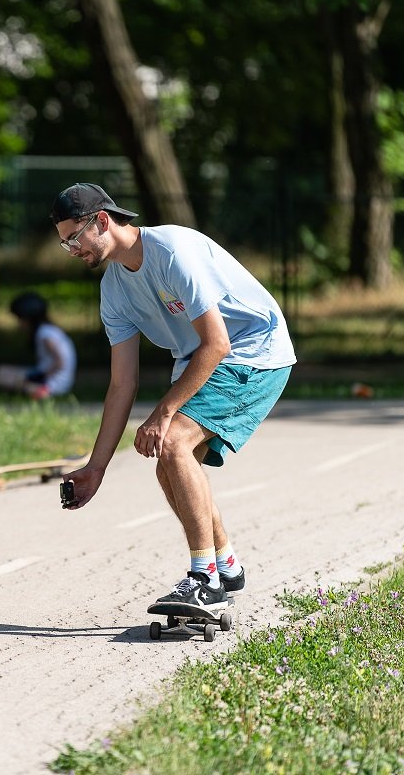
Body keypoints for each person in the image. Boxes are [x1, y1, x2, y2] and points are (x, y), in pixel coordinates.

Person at [52, 183, 295, 611]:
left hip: (254, 349)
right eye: (63, 243)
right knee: (171, 467)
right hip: (202, 356)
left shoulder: (172, 252)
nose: (71, 249)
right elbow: (121, 384)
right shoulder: (113, 291)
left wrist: (164, 412)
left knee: (174, 442)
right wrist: (96, 467)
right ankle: (227, 565)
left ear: (103, 221)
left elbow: (217, 343)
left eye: (74, 238)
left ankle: (206, 581)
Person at [0, 292, 77, 399]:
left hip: (53, 384)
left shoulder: (45, 334)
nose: (19, 324)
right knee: (0, 370)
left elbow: (60, 361)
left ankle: (39, 391)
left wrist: (39, 377)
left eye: (20, 319)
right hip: (47, 377)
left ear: (29, 319)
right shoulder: (48, 330)